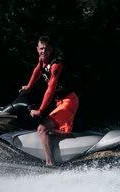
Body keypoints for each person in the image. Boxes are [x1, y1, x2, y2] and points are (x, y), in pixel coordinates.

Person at [19, 35, 79, 166]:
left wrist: (40, 110)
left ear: (51, 49)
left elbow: (50, 90)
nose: (43, 52)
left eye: (46, 49)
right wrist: (29, 86)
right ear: (37, 49)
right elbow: (37, 71)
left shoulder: (56, 64)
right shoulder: (42, 59)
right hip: (60, 102)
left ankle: (50, 163)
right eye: (41, 49)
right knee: (61, 133)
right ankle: (79, 147)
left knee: (42, 129)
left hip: (68, 102)